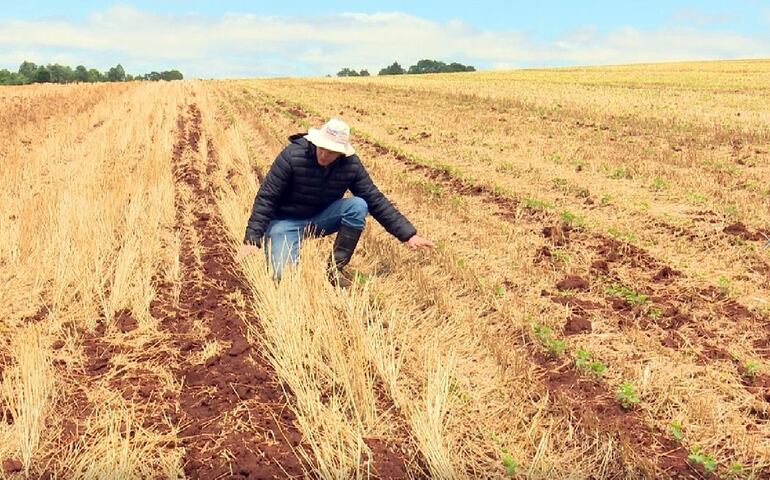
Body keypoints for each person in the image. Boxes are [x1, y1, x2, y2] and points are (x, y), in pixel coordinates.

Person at [236, 118, 434, 285]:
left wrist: (408, 234)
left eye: (331, 151)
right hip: (284, 222)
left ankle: (334, 269)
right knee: (282, 278)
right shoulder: (292, 156)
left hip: (320, 218)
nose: (324, 154)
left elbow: (374, 199)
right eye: (322, 148)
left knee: (358, 205)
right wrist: (252, 238)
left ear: (342, 152)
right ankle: (282, 250)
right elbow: (267, 197)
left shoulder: (351, 165)